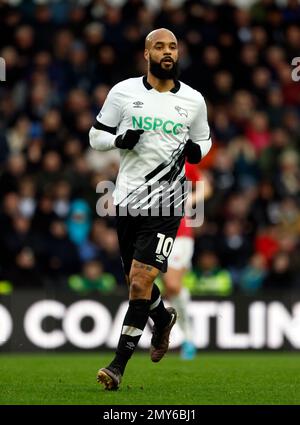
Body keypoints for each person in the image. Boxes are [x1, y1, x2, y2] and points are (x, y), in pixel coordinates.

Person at [89, 28, 212, 390]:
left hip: (167, 202)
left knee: (143, 280)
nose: (167, 51)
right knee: (134, 283)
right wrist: (117, 140)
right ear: (147, 53)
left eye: (173, 46)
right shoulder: (123, 93)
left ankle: (117, 366)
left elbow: (204, 139)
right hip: (127, 200)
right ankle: (162, 319)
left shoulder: (193, 100)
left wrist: (197, 152)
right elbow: (95, 135)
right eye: (159, 46)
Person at [161, 164, 212, 360]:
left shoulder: (183, 162)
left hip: (180, 234)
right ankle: (172, 333)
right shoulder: (147, 159)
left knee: (172, 284)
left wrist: (189, 200)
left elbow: (206, 187)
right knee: (167, 287)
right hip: (153, 231)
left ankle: (189, 338)